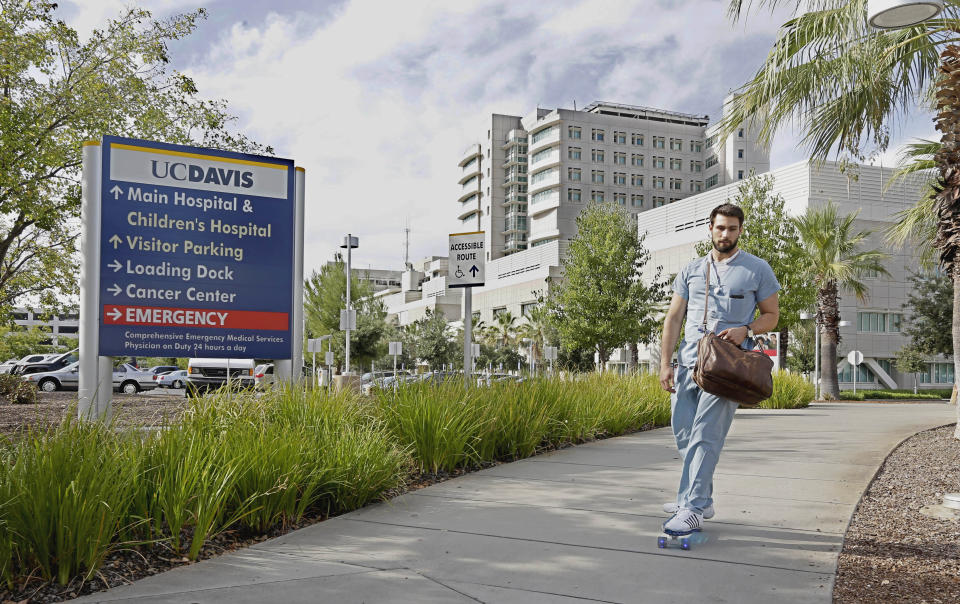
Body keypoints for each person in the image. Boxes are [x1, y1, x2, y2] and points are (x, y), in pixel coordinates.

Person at [658, 203, 780, 534]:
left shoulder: (757, 269)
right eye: (720, 227)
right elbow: (673, 318)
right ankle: (702, 497)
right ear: (709, 229)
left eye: (732, 228)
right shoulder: (692, 270)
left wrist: (748, 329)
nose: (725, 234)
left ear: (740, 231)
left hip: (726, 368)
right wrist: (665, 364)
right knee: (683, 432)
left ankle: (693, 507)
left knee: (705, 436)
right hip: (688, 365)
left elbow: (772, 314)